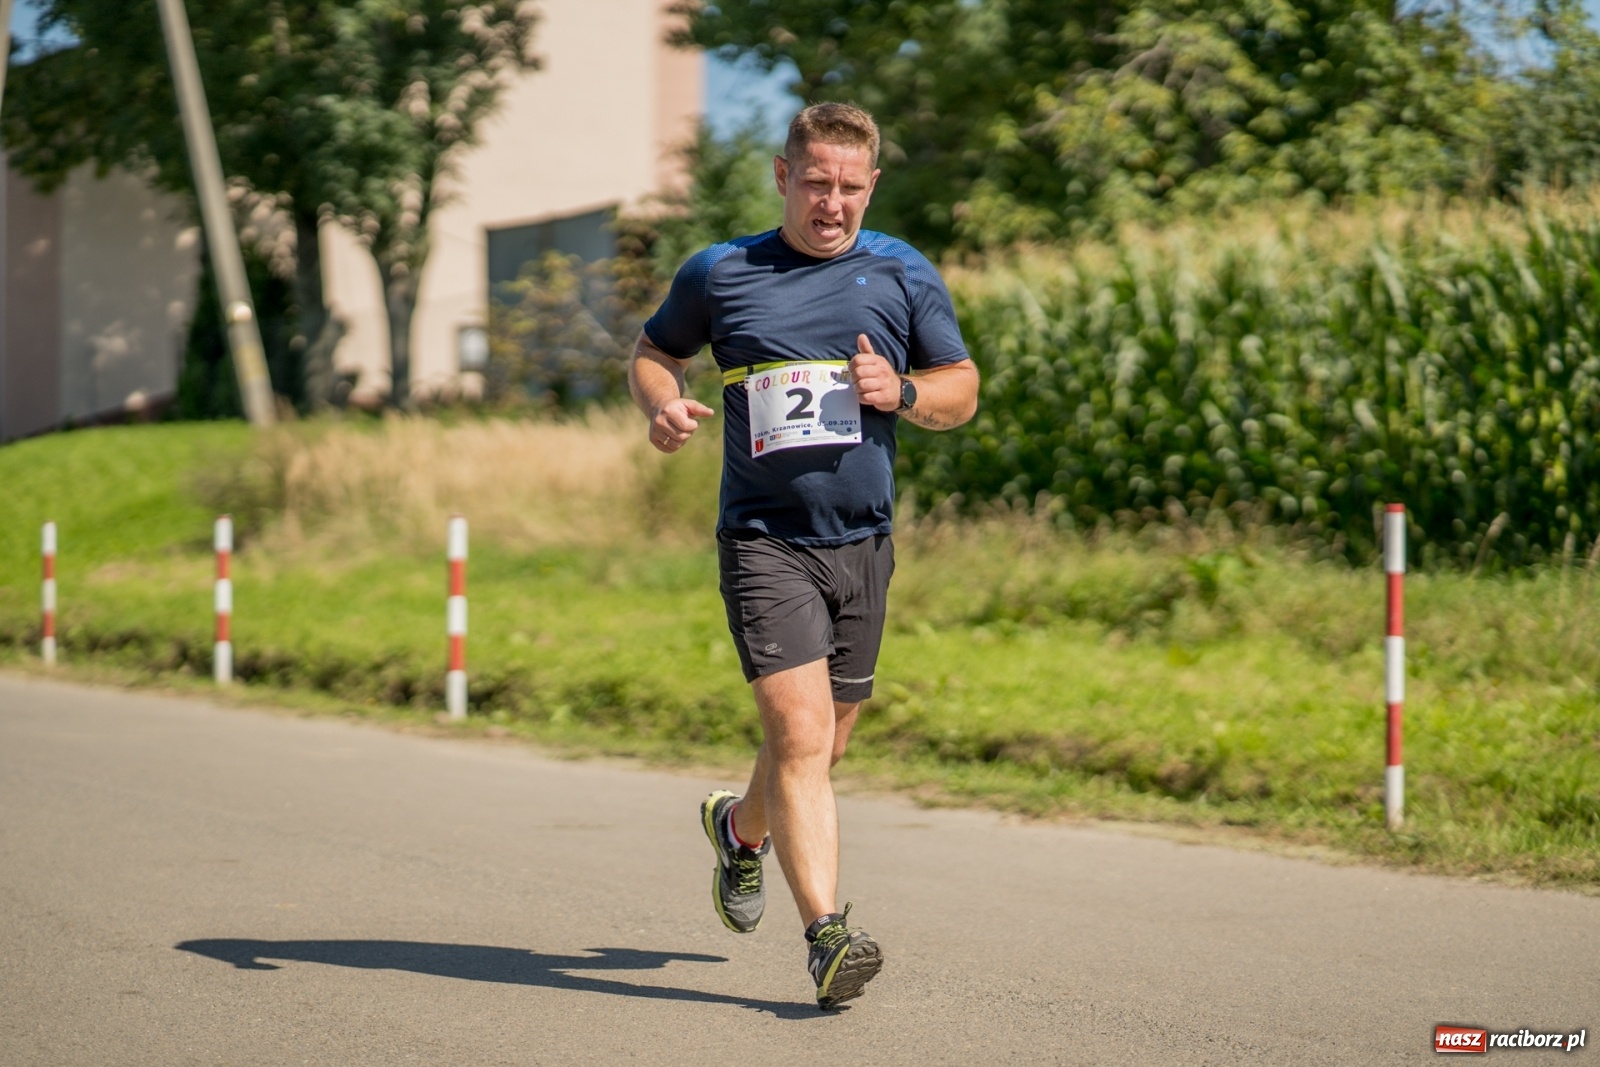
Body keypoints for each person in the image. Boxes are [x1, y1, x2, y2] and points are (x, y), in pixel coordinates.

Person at [628, 102, 980, 1009]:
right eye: (816, 183)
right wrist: (661, 403)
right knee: (800, 735)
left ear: (872, 186)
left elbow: (961, 389)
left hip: (864, 542)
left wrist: (900, 389)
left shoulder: (901, 271)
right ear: (784, 177)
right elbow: (655, 350)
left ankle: (741, 831)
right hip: (763, 542)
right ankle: (829, 936)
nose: (832, 203)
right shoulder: (724, 271)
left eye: (850, 187)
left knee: (824, 747)